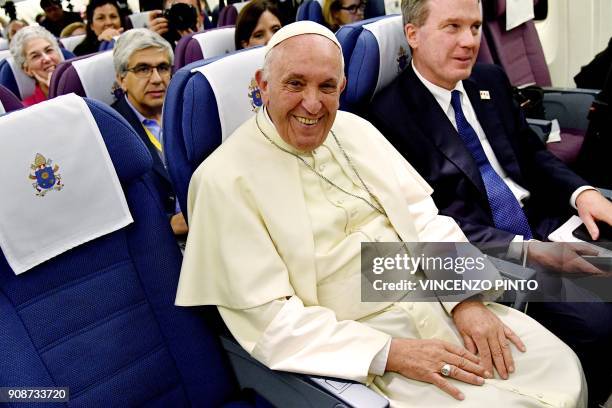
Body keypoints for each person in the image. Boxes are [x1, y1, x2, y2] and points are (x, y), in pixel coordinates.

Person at [176, 21, 586, 407]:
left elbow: (424, 219)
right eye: (295, 84)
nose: (313, 103)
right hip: (360, 350)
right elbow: (271, 322)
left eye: (328, 87)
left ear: (343, 87)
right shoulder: (222, 181)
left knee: (559, 366)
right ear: (262, 85)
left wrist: (466, 302)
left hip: (438, 301)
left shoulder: (358, 131)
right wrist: (389, 353)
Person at [368, 0, 612, 405]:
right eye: (452, 27)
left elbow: (531, 155)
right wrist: (529, 250)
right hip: (495, 250)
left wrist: (582, 193)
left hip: (545, 221)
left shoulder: (489, 81)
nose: (469, 42)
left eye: (476, 27)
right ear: (413, 35)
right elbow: (429, 220)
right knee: (599, 322)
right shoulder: (388, 116)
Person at [112, 28, 187, 236]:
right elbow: (118, 212)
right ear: (121, 79)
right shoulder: (110, 131)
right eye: (143, 69)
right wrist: (169, 223)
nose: (156, 79)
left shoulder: (187, 109)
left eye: (162, 67)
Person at [9, 26, 62, 106]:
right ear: (27, 69)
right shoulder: (26, 109)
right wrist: (54, 92)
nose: (47, 59)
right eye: (35, 56)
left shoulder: (81, 85)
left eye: (49, 50)